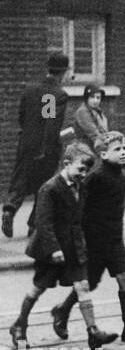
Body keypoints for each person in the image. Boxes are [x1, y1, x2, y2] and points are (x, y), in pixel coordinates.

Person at [9, 142, 117, 350]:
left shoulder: (81, 186)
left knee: (82, 286)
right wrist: (53, 249)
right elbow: (43, 223)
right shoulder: (50, 189)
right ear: (66, 164)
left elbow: (81, 216)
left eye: (87, 170)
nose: (83, 174)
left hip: (74, 246)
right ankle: (19, 325)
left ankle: (93, 331)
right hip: (51, 249)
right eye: (80, 169)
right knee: (38, 288)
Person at [49, 131, 125, 345]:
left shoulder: (121, 177)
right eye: (117, 150)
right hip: (94, 240)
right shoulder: (96, 177)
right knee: (89, 283)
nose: (123, 153)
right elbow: (79, 203)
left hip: (115, 239)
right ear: (103, 155)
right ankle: (62, 310)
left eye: (124, 149)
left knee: (124, 277)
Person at [3, 52, 71, 238]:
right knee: (43, 186)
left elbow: (22, 117)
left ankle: (9, 210)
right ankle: (34, 225)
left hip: (25, 144)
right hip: (44, 149)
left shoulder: (30, 89)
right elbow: (49, 122)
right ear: (63, 72)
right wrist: (46, 148)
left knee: (21, 179)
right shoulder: (54, 93)